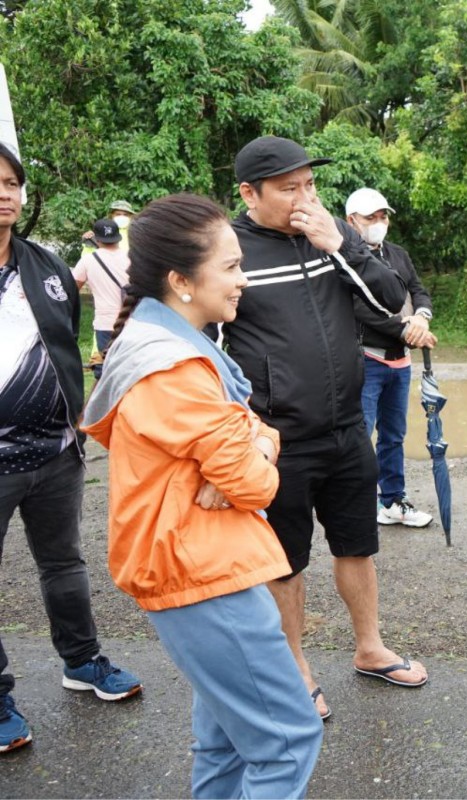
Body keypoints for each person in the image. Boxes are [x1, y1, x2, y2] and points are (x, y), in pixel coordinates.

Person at [81, 194, 323, 797]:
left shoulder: (177, 346)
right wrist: (257, 451)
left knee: (226, 742)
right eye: (232, 267)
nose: (243, 281)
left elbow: (253, 435)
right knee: (289, 739)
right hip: (200, 571)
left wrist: (254, 444)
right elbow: (257, 480)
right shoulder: (175, 368)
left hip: (205, 563)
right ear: (181, 281)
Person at [223, 136, 425, 723]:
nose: (304, 198)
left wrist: (342, 245)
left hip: (345, 427)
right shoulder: (230, 250)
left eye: (309, 185)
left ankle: (370, 646)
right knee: (286, 562)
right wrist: (240, 432)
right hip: (278, 441)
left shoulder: (332, 237)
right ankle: (296, 670)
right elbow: (209, 348)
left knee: (358, 545)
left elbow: (392, 304)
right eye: (289, 189)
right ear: (249, 193)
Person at [0, 143, 142, 756]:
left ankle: (82, 662)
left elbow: (66, 346)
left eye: (11, 182)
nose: (4, 192)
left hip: (55, 452)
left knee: (65, 565)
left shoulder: (47, 265)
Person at [344, 187, 437, 528]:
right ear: (351, 221)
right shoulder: (345, 259)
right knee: (361, 435)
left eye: (383, 216)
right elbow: (360, 307)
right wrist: (404, 327)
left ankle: (393, 501)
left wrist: (421, 318)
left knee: (394, 435)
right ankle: (356, 507)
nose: (379, 223)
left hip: (401, 363)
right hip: (367, 359)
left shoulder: (398, 254)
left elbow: (418, 290)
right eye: (371, 217)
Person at [72, 218, 130, 379]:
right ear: (119, 236)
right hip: (135, 321)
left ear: (97, 239)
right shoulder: (133, 257)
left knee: (108, 373)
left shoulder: (88, 261)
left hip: (106, 324)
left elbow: (69, 289)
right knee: (131, 370)